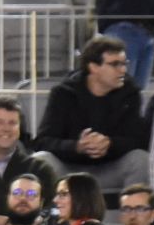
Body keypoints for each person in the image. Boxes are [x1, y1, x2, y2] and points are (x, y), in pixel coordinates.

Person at [38, 39, 144, 192]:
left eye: (124, 63)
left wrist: (109, 143)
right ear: (93, 67)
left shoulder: (130, 94)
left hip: (112, 167)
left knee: (140, 160)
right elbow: (43, 141)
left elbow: (138, 140)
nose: (123, 70)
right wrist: (77, 147)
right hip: (68, 168)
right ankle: (47, 216)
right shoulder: (63, 94)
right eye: (115, 64)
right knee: (42, 160)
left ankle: (135, 213)